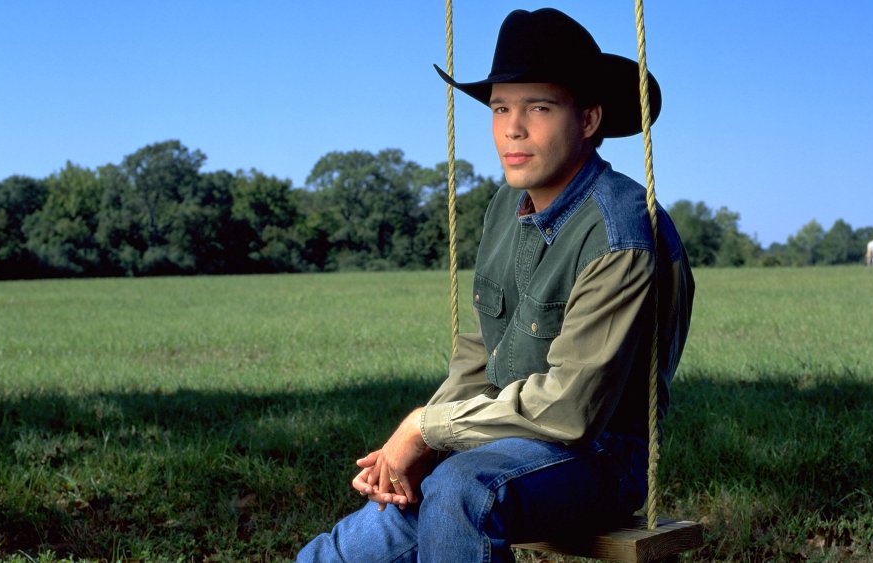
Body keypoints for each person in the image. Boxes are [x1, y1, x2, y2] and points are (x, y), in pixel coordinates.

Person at [297, 7, 694, 562]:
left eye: (539, 107)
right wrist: (415, 445)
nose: (512, 127)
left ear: (587, 120)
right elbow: (480, 356)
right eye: (501, 107)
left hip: (596, 459)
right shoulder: (505, 207)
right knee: (339, 551)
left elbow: (569, 412)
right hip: (495, 443)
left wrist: (428, 429)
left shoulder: (621, 234)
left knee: (462, 489)